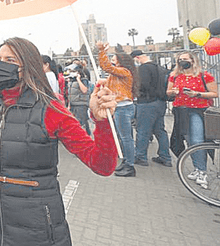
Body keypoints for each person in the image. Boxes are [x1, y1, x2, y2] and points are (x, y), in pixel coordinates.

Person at [0, 37, 117, 246]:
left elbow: (102, 165)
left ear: (28, 66)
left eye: (10, 60)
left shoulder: (50, 108)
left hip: (35, 231)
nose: (1, 65)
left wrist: (101, 122)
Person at [167, 51, 218, 189]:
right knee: (188, 140)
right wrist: (174, 92)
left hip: (198, 110)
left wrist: (197, 94)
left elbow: (215, 93)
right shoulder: (175, 76)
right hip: (181, 110)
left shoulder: (204, 75)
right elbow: (168, 91)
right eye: (179, 59)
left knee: (197, 140)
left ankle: (202, 171)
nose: (182, 62)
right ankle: (197, 168)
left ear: (192, 61)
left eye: (184, 59)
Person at [97, 42, 139, 177]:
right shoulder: (119, 73)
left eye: (114, 57)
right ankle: (126, 162)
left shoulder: (124, 72)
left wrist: (101, 51)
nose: (113, 59)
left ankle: (130, 165)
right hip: (120, 107)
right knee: (123, 137)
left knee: (126, 137)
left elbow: (106, 67)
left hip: (123, 107)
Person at [130, 50, 172, 167]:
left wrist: (135, 89)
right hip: (160, 102)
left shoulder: (143, 68)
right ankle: (165, 157)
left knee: (143, 130)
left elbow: (143, 85)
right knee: (160, 130)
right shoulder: (159, 67)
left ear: (137, 58)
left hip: (147, 103)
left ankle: (140, 156)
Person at [66, 64, 93, 135]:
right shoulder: (71, 80)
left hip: (81, 104)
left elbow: (84, 90)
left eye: (73, 71)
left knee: (82, 123)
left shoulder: (83, 80)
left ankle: (86, 136)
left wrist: (78, 79)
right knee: (76, 123)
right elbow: (70, 94)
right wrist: (69, 105)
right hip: (73, 104)